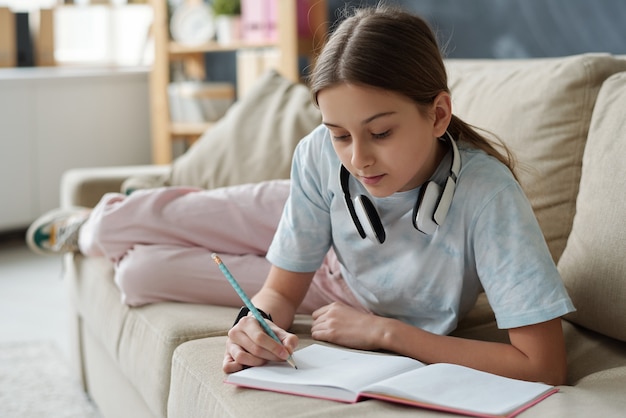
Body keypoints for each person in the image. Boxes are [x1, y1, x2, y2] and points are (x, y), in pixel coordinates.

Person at [27, 5, 574, 385]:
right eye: (340, 134)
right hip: (302, 212)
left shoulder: (488, 198)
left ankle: (121, 228)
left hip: (343, 293)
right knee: (118, 228)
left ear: (437, 115)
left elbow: (543, 365)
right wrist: (257, 323)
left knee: (137, 276)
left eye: (379, 133)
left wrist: (385, 333)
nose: (358, 159)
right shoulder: (321, 158)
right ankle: (93, 222)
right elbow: (278, 292)